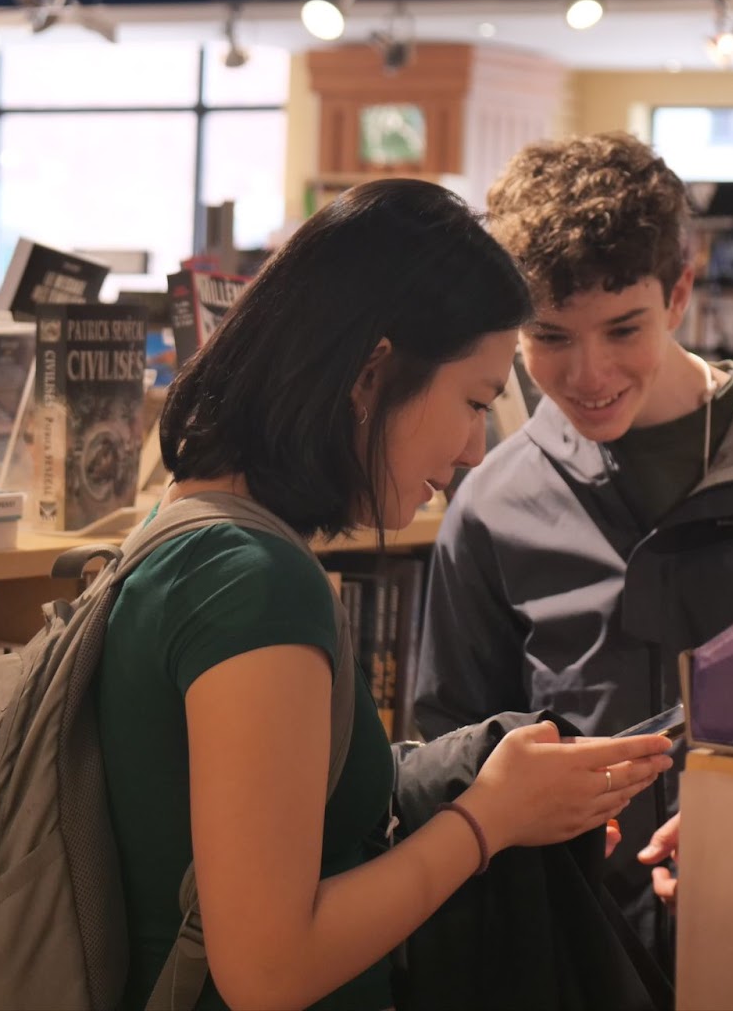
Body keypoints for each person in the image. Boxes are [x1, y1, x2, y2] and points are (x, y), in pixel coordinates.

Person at [97, 177, 675, 1011]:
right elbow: (269, 970)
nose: (478, 448)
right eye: (473, 401)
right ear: (372, 376)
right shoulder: (257, 585)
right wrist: (489, 821)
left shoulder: (193, 527)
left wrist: (485, 784)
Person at [412, 133, 733, 948]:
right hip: (574, 950)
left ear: (680, 295)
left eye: (623, 329)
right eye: (552, 338)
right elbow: (448, 754)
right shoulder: (492, 506)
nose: (589, 376)